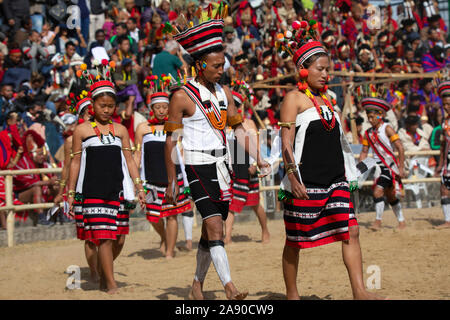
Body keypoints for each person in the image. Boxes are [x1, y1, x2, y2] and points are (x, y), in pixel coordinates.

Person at [164, 17, 270, 300]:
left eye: (223, 65)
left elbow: (238, 128)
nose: (221, 70)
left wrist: (258, 157)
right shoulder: (181, 97)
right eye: (216, 66)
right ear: (199, 66)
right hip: (197, 166)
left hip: (223, 166)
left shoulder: (225, 93)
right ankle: (230, 287)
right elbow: (171, 140)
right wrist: (172, 180)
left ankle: (197, 284)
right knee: (214, 225)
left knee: (212, 230)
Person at [277, 20, 383, 300]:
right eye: (320, 69)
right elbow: (285, 141)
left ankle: (360, 292)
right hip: (304, 181)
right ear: (303, 69)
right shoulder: (293, 99)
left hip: (335, 179)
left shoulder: (329, 100)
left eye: (328, 70)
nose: (326, 75)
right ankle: (292, 294)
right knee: (295, 242)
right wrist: (291, 176)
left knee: (352, 230)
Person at [67, 64, 146, 294]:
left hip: (117, 191)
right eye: (102, 106)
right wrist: (71, 194)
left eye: (111, 106)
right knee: (103, 238)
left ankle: (103, 274)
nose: (107, 110)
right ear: (92, 105)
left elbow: (130, 160)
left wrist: (138, 186)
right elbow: (75, 163)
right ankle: (111, 284)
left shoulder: (121, 130)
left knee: (118, 240)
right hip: (93, 191)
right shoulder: (81, 131)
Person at [134, 90, 192, 259]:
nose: (161, 110)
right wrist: (135, 178)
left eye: (164, 107)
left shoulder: (175, 126)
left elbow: (181, 151)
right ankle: (164, 237)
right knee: (152, 216)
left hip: (172, 176)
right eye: (157, 107)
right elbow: (137, 154)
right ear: (151, 108)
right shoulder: (142, 128)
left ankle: (169, 252)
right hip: (151, 178)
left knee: (172, 215)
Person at [224, 90, 270, 245]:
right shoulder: (224, 125)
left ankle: (265, 230)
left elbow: (254, 145)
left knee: (255, 204)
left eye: (236, 106)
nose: (233, 108)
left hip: (248, 166)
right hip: (233, 168)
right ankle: (227, 237)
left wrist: (254, 163)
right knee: (231, 204)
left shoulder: (248, 123)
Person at [358, 97, 407, 231]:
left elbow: (400, 148)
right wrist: (360, 167)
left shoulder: (387, 129)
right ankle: (402, 222)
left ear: (380, 116)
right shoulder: (368, 133)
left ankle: (378, 222)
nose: (370, 119)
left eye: (372, 116)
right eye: (369, 117)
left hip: (389, 167)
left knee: (378, 192)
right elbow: (364, 151)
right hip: (378, 167)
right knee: (390, 196)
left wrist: (401, 168)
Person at [434, 81, 450, 229]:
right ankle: (447, 220)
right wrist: (440, 164)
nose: (446, 107)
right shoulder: (445, 122)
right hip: (448, 163)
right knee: (444, 189)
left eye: (448, 104)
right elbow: (443, 144)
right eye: (444, 104)